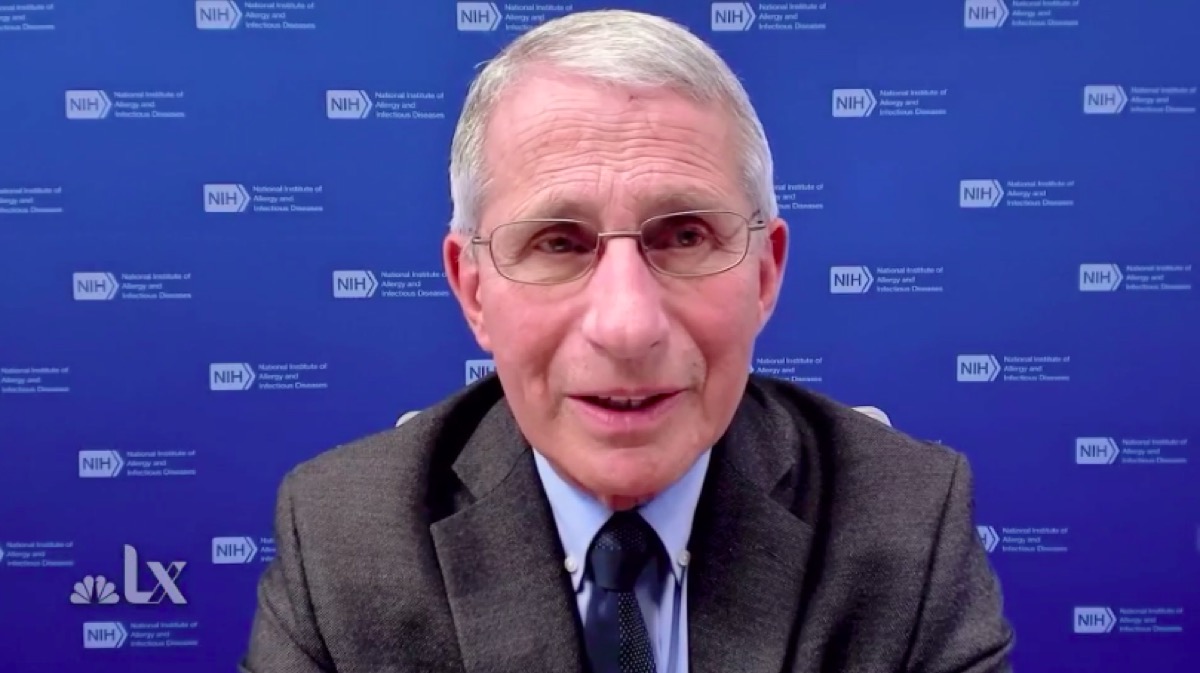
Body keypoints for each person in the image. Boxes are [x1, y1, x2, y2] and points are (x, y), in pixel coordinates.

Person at [239, 9, 1015, 673]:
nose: (627, 324)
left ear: (765, 273)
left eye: (685, 236)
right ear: (473, 288)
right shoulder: (343, 539)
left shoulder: (908, 522)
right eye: (558, 242)